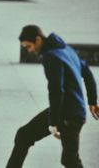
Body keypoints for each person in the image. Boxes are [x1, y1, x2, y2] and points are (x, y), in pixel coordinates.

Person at [6, 25, 99, 168]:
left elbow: (56, 90)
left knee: (70, 159)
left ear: (38, 39)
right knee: (24, 135)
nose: (29, 51)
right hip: (70, 110)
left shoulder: (51, 57)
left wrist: (53, 122)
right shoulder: (66, 49)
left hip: (69, 115)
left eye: (29, 46)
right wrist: (93, 101)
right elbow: (87, 73)